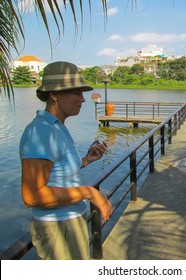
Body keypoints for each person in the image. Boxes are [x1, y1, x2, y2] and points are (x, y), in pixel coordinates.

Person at [19, 61, 112, 260]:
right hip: (58, 228)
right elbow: (31, 196)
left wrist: (87, 160)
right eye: (77, 93)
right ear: (54, 94)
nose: (83, 99)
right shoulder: (41, 131)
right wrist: (88, 192)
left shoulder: (57, 127)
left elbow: (57, 172)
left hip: (70, 222)